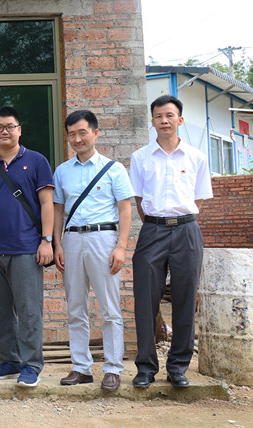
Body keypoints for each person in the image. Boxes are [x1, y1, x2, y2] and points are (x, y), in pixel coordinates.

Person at [130, 95, 213, 389]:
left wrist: (179, 220)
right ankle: (145, 368)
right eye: (158, 116)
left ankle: (178, 367)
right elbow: (139, 199)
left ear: (180, 119)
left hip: (187, 231)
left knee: (185, 299)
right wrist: (157, 223)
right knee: (145, 299)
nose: (164, 121)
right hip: (152, 231)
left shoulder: (196, 157)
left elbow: (198, 199)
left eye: (169, 115)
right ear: (152, 121)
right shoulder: (140, 157)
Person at [0, 106, 54, 388]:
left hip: (26, 248)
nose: (4, 131)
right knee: (0, 309)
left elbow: (47, 203)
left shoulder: (37, 161)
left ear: (19, 130)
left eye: (10, 126)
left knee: (29, 310)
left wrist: (47, 240)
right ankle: (10, 360)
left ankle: (31, 365)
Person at [52, 110, 133, 392]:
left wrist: (121, 247)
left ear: (95, 133)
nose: (77, 139)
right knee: (76, 307)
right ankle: (81, 367)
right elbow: (58, 210)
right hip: (72, 239)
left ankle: (112, 368)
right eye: (72, 134)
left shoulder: (114, 169)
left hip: (104, 238)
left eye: (82, 132)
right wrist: (57, 243)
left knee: (110, 308)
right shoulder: (62, 171)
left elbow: (125, 209)